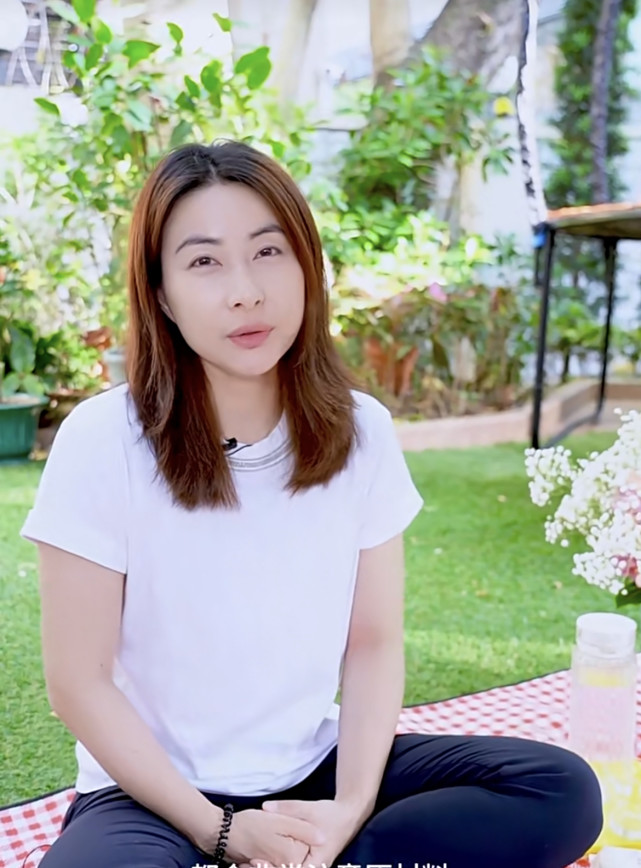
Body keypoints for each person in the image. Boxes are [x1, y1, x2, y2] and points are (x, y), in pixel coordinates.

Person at [21, 140, 603, 868]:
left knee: (559, 790)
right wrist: (219, 832)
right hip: (152, 797)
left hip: (311, 775)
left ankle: (336, 856)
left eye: (268, 252)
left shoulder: (361, 432)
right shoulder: (103, 440)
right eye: (204, 261)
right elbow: (78, 682)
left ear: (305, 265)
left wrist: (345, 812)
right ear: (161, 293)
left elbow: (372, 643)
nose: (245, 291)